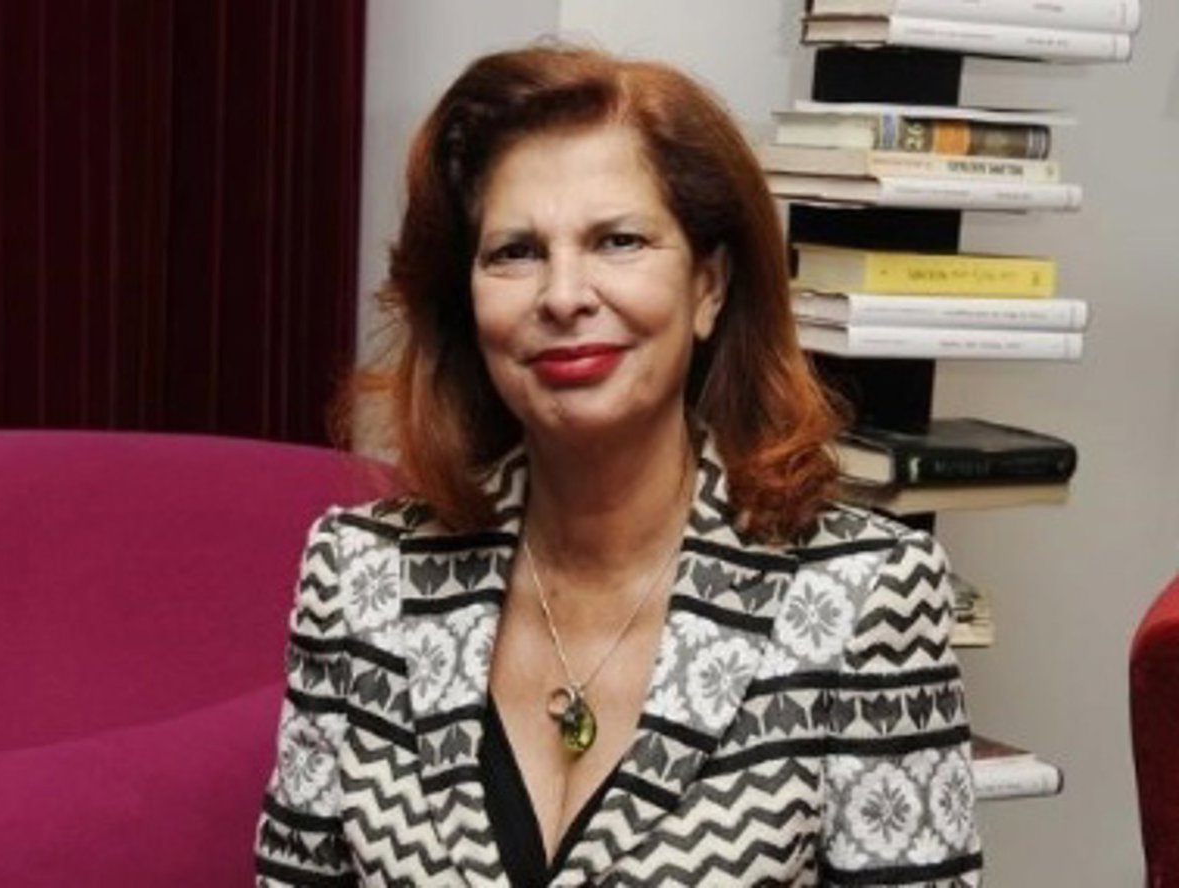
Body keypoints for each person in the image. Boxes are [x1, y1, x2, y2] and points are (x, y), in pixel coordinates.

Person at [255, 43, 982, 887]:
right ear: (468, 299)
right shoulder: (359, 578)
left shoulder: (865, 594)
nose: (564, 295)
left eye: (619, 241)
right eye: (515, 252)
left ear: (709, 286)